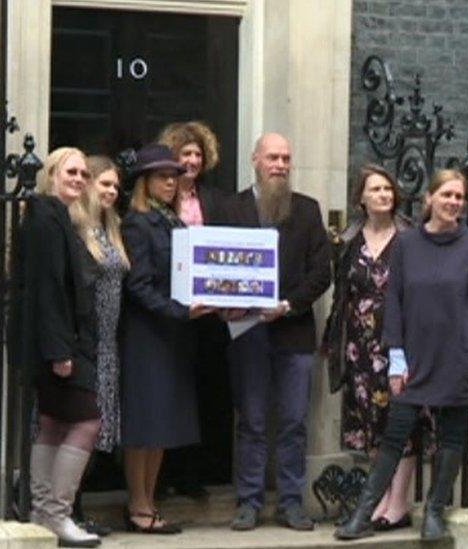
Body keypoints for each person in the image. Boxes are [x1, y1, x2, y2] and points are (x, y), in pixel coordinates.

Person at [335, 169, 468, 542]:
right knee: (395, 434)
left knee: (451, 437)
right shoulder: (407, 244)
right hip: (416, 354)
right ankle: (362, 516)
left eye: (459, 197)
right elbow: (394, 301)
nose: (453, 202)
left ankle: (435, 513)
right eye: (446, 195)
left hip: (460, 354)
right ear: (429, 199)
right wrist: (396, 356)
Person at [221, 133, 331, 531]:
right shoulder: (230, 207)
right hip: (246, 330)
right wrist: (224, 302)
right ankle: (248, 501)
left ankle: (291, 502)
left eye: (286, 158)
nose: (280, 165)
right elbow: (217, 266)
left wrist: (286, 305)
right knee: (250, 421)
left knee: (293, 422)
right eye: (273, 157)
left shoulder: (307, 210)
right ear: (255, 160)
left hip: (294, 332)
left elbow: (322, 272)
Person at [322, 164, 435, 531]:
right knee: (370, 423)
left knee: (401, 421)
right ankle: (381, 496)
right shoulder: (349, 238)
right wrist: (332, 338)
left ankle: (398, 502)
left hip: (397, 341)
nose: (384, 195)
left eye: (388, 189)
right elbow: (342, 294)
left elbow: (421, 292)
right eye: (376, 189)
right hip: (359, 345)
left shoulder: (410, 237)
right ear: (362, 198)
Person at [8, 147, 102, 548]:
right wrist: (60, 351)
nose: (79, 179)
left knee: (52, 422)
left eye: (84, 173)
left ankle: (42, 513)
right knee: (87, 421)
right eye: (71, 172)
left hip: (53, 341)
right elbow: (47, 289)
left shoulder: (52, 215)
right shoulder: (47, 219)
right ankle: (57, 514)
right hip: (59, 343)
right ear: (50, 174)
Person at [119, 143, 213, 534]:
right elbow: (137, 286)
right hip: (146, 336)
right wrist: (180, 311)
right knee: (143, 425)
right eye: (162, 176)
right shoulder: (137, 223)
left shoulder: (174, 223)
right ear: (145, 182)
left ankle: (150, 498)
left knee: (162, 426)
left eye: (175, 176)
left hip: (173, 335)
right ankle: (138, 505)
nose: (172, 181)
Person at [155, 121, 233, 497]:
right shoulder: (158, 200)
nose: (192, 160)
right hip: (169, 313)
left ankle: (194, 473)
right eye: (185, 154)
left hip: (209, 315)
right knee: (169, 390)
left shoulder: (216, 200)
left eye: (197, 154)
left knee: (204, 390)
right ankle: (165, 474)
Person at [69, 156, 129, 537]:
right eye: (104, 183)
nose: (110, 191)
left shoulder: (112, 227)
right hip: (84, 347)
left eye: (114, 186)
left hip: (109, 346)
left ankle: (73, 507)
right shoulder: (75, 230)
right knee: (77, 432)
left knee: (94, 435)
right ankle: (65, 509)